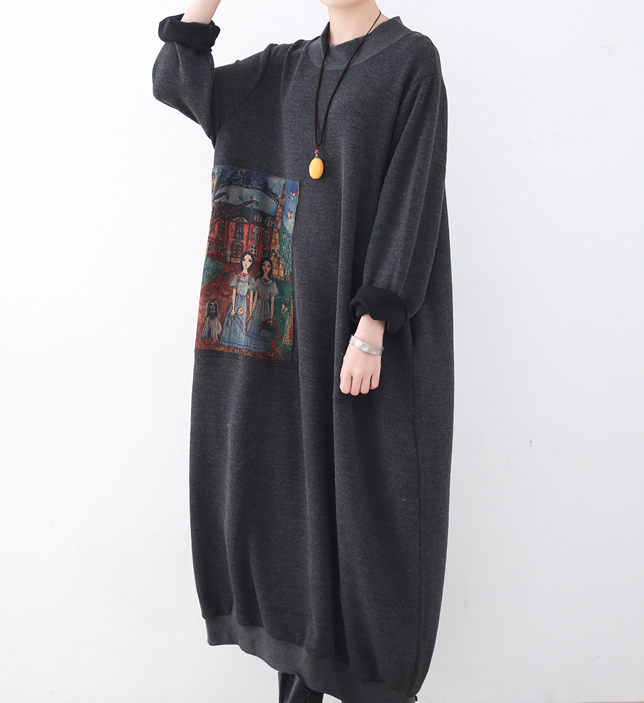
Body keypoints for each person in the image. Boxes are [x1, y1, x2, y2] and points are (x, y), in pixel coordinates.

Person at [152, 1, 454, 702]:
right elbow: (176, 79)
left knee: (372, 528)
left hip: (367, 344)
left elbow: (413, 194)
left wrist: (374, 325)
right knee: (291, 519)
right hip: (283, 348)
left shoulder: (411, 61)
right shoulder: (281, 70)